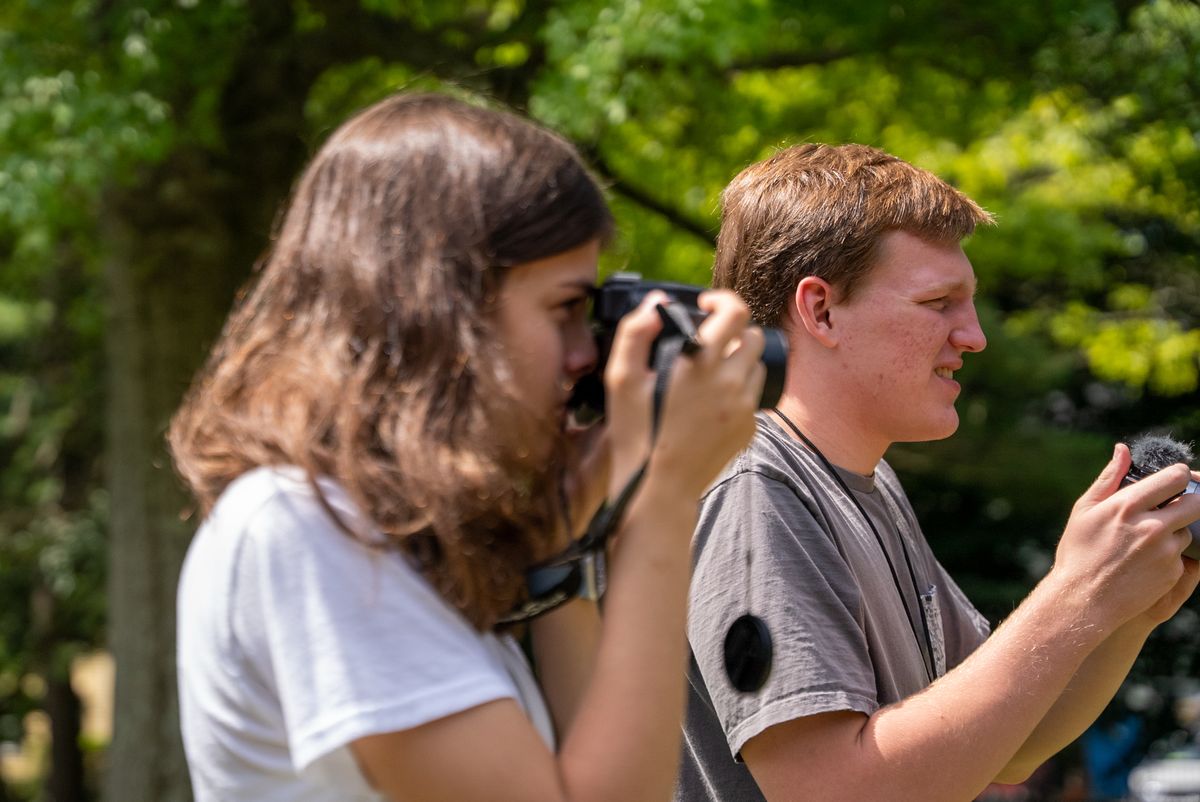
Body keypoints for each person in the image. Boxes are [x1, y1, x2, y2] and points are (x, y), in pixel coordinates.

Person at [169, 92, 766, 801]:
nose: (588, 356)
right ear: (445, 310)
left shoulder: (373, 536)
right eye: (565, 309)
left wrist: (562, 540)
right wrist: (661, 491)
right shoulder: (309, 526)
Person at [676, 143, 1200, 802]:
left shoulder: (867, 484)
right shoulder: (755, 488)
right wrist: (1075, 589)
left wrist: (1121, 610)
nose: (974, 335)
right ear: (821, 310)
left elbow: (1007, 745)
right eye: (939, 302)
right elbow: (833, 792)